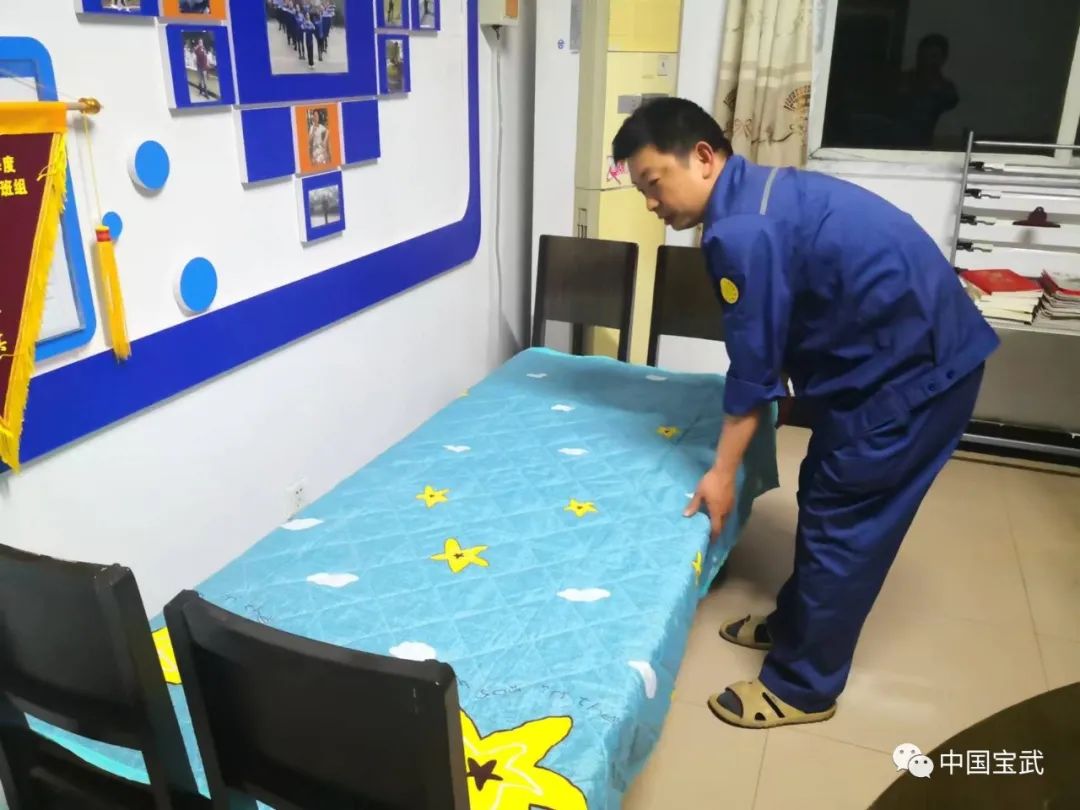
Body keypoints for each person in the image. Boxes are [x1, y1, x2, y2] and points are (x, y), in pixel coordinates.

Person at [611, 97, 999, 730]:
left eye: (654, 183)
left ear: (703, 157)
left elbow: (751, 368)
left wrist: (722, 475)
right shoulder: (760, 193)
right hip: (905, 349)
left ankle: (803, 687)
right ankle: (798, 622)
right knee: (824, 493)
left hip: (915, 376)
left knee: (842, 519)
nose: (652, 204)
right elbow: (789, 313)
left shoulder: (740, 230)